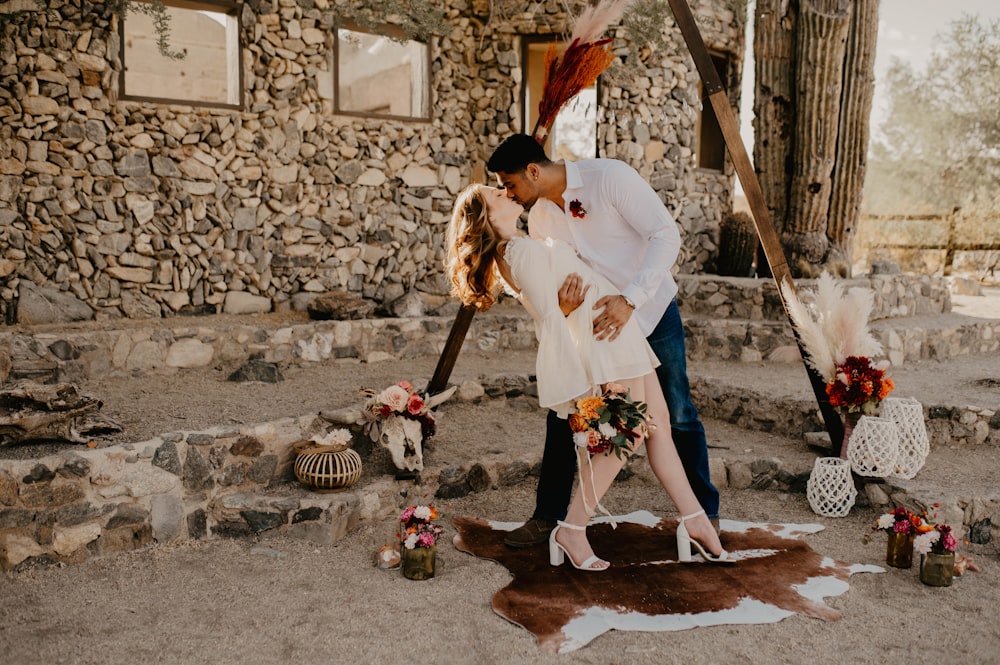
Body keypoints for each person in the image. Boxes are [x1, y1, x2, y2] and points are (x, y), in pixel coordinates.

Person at [446, 183, 727, 570]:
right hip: (602, 340)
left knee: (658, 424)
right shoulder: (514, 251)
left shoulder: (527, 241)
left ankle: (695, 521)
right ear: (488, 219)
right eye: (495, 194)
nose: (504, 191)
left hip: (619, 331)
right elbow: (550, 317)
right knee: (627, 434)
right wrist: (575, 340)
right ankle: (572, 529)